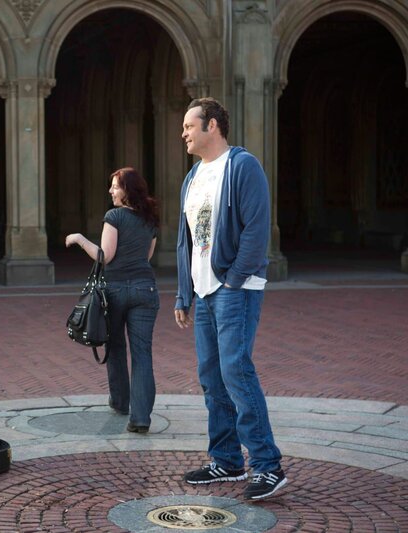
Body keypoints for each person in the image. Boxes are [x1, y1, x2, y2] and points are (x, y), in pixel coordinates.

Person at [175, 97, 287, 500]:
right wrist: (183, 293)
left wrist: (236, 279)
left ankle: (267, 466)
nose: (183, 132)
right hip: (203, 291)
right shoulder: (192, 177)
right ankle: (226, 460)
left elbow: (257, 228)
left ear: (213, 126)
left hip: (232, 289)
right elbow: (185, 240)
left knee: (236, 371)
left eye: (190, 125)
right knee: (211, 377)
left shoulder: (242, 166)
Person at [65, 167, 159, 434]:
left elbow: (104, 256)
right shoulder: (150, 219)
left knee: (116, 346)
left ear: (127, 190)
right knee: (143, 354)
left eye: (115, 186)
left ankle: (120, 401)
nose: (110, 191)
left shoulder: (114, 216)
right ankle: (141, 418)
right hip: (145, 290)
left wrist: (79, 239)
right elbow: (146, 257)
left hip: (115, 291)